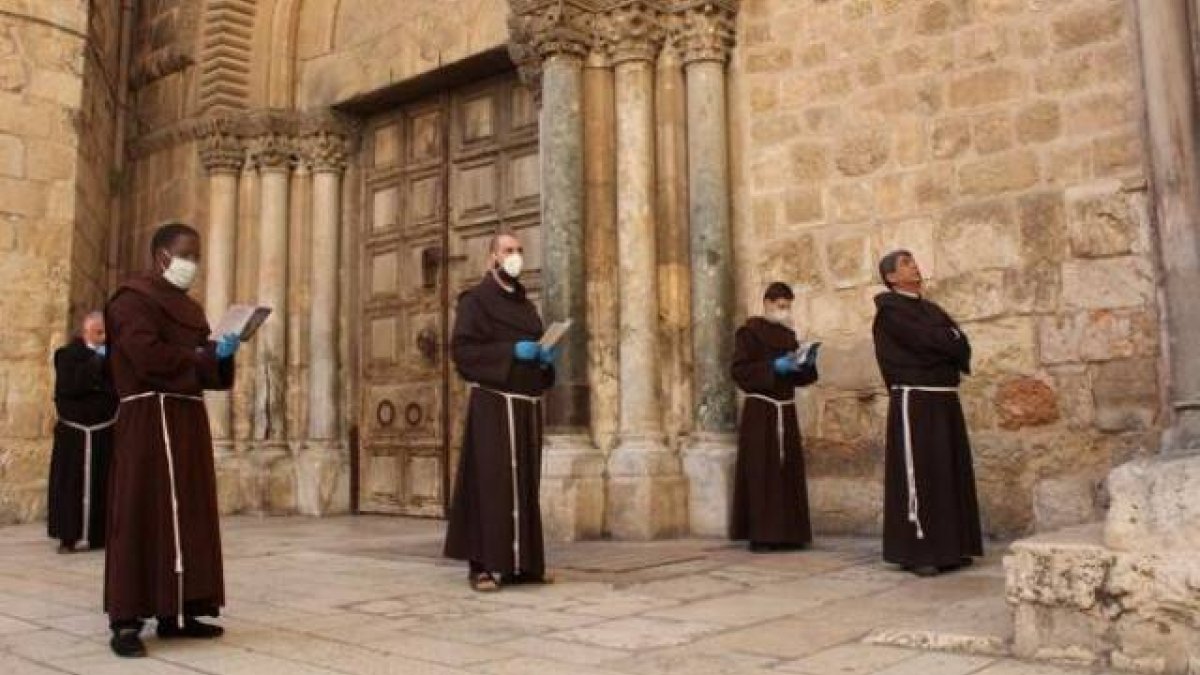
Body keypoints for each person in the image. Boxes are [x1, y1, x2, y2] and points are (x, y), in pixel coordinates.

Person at [103, 222, 241, 657]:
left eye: (198, 256)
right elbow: (145, 356)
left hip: (186, 420)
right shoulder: (131, 301)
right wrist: (201, 358)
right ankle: (126, 620)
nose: (193, 264)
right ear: (162, 254)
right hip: (147, 418)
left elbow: (206, 366)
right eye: (187, 254)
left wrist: (223, 353)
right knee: (143, 510)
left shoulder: (191, 308)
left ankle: (180, 611)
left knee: (190, 512)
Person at [444, 230, 557, 592]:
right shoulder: (475, 301)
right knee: (490, 485)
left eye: (520, 250)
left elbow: (535, 347)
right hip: (494, 405)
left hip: (524, 406)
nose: (516, 256)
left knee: (524, 486)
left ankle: (523, 563)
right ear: (492, 257)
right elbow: (463, 352)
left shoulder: (526, 306)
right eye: (508, 250)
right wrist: (511, 352)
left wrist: (543, 359)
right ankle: (484, 566)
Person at [872, 250, 982, 577]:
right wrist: (946, 342)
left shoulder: (932, 309)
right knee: (920, 474)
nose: (914, 266)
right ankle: (919, 551)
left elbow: (962, 346)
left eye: (914, 261)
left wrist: (946, 343)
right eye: (905, 263)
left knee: (948, 473)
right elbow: (927, 342)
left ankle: (951, 547)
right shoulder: (890, 313)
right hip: (916, 401)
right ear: (891, 277)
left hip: (944, 400)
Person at [730, 282, 819, 552]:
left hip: (785, 410)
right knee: (762, 471)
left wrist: (807, 365)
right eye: (781, 306)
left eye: (788, 306)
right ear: (767, 303)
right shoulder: (748, 333)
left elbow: (799, 377)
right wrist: (772, 367)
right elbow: (740, 371)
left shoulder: (789, 336)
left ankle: (791, 533)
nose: (785, 311)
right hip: (762, 411)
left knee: (787, 471)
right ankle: (762, 535)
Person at [47, 311, 119, 553]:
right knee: (70, 484)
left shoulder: (113, 357)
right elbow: (71, 386)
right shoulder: (67, 355)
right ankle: (68, 535)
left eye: (105, 333)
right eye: (98, 333)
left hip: (103, 430)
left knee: (102, 482)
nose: (103, 338)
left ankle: (99, 534)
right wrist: (96, 362)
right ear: (86, 332)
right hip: (74, 433)